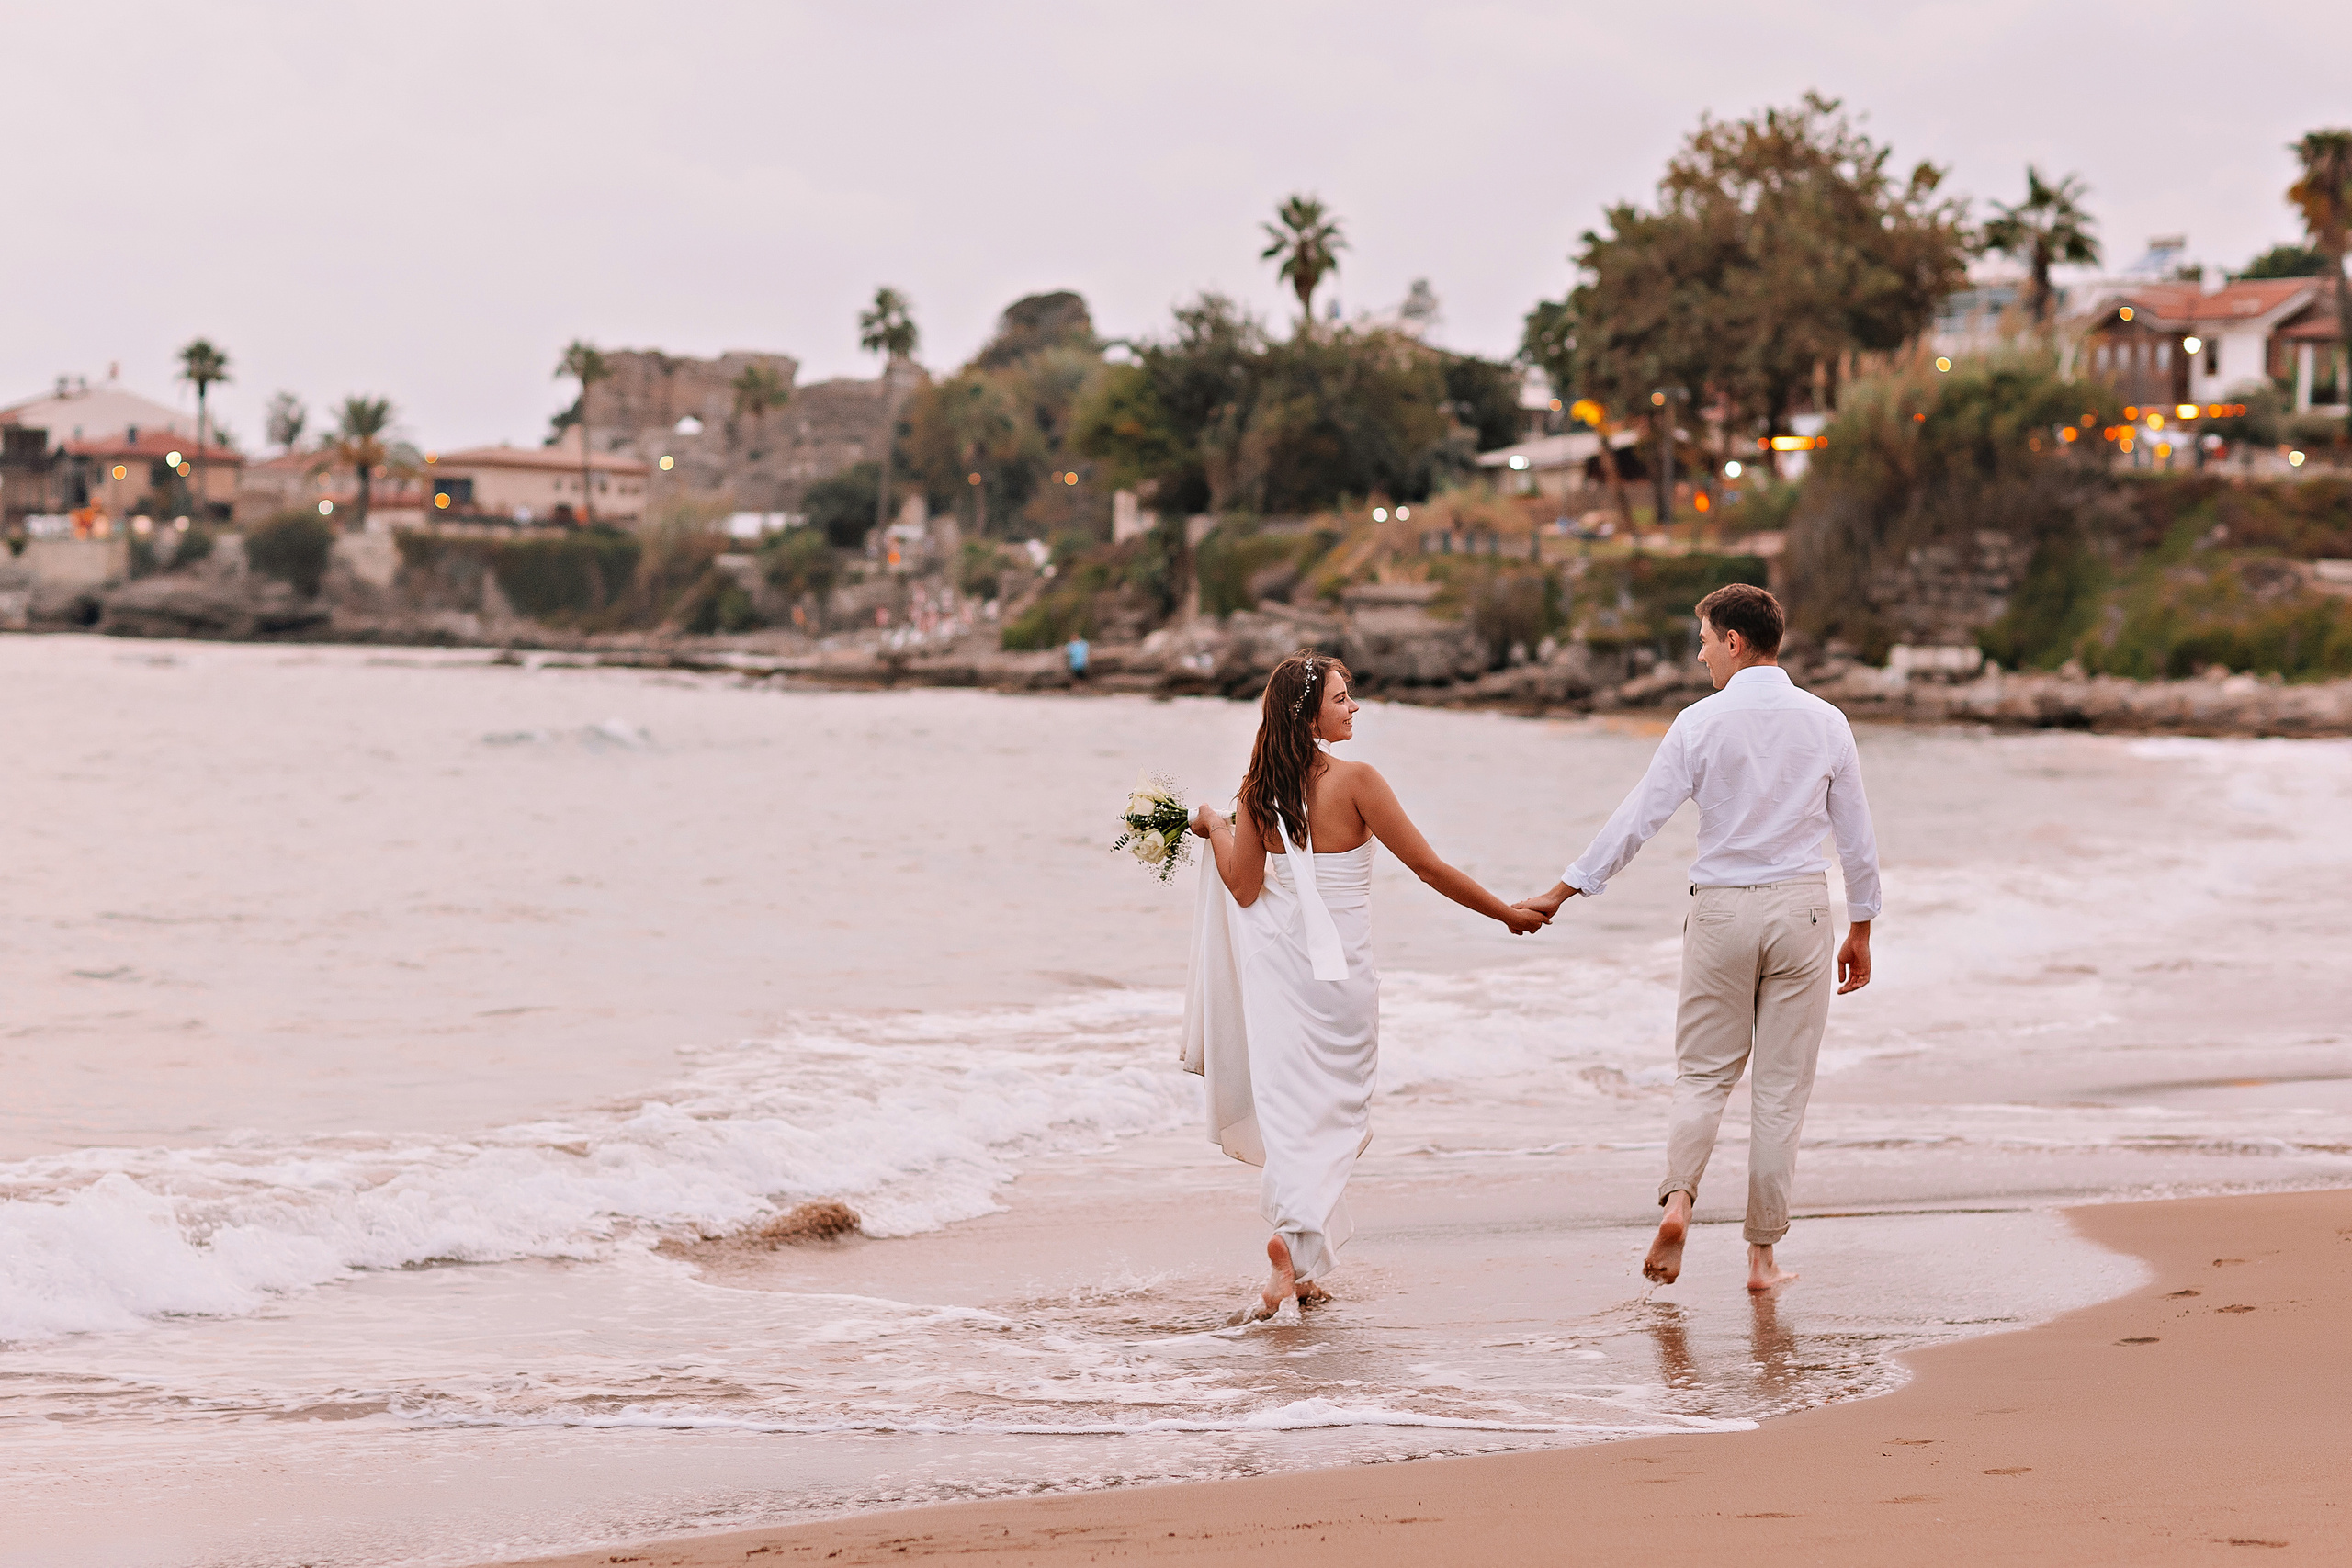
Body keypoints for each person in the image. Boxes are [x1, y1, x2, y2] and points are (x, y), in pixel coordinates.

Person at [1516, 583, 1880, 1292]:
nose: (1702, 652)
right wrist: (1862, 926)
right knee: (1779, 1091)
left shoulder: (1697, 723)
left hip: (1719, 910)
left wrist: (1566, 888)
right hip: (1801, 911)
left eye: (1707, 639)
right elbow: (1858, 839)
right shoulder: (1828, 720)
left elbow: (1637, 819)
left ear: (1736, 641)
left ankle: (1679, 1201)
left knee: (1703, 1076)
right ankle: (1762, 1260)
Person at [1186, 650, 1549, 1319]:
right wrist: (1506, 913)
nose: (1354, 708)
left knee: (1296, 1115)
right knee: (1340, 1108)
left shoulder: (1254, 793)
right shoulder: (1357, 782)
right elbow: (1429, 868)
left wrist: (1213, 826)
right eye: (1343, 698)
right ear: (1310, 715)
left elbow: (1242, 889)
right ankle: (1293, 1254)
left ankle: (1299, 1254)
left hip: (1281, 977)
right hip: (1340, 979)